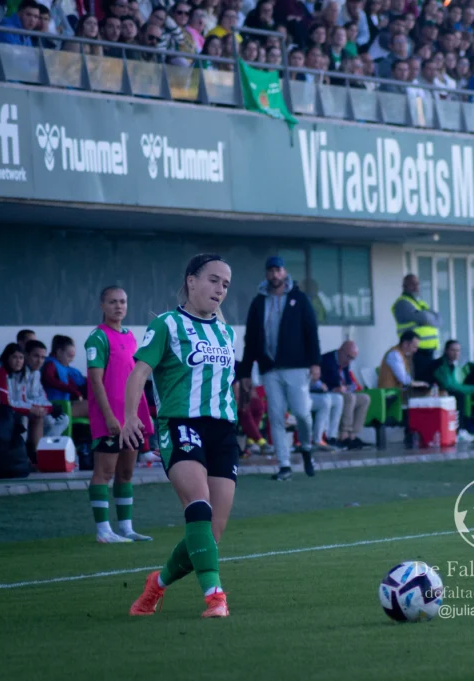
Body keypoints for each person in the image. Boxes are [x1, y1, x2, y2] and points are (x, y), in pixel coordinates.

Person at [126, 254, 239, 619]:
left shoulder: (225, 331)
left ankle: (155, 585)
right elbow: (139, 373)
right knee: (199, 509)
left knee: (212, 534)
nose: (220, 289)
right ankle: (215, 597)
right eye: (213, 280)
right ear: (191, 280)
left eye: (225, 284)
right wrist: (131, 417)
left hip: (222, 430)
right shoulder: (166, 325)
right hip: (181, 424)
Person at [238, 255, 322, 482]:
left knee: (302, 414)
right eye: (271, 271)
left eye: (278, 270)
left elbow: (311, 332)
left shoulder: (299, 298)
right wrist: (245, 372)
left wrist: (315, 363)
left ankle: (305, 447)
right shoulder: (258, 302)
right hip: (270, 368)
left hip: (297, 366)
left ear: (285, 272)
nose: (275, 275)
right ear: (267, 274)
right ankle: (284, 464)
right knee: (275, 415)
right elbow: (251, 339)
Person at [83, 286, 155, 543]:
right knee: (104, 472)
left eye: (123, 301)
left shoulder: (131, 336)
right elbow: (96, 381)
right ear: (102, 305)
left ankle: (125, 527)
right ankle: (103, 531)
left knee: (126, 472)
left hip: (131, 416)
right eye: (113, 302)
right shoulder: (97, 338)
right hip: (110, 417)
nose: (119, 306)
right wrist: (110, 417)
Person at [320, 340, 372, 450]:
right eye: (349, 357)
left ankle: (353, 436)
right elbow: (319, 383)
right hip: (329, 394)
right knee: (350, 397)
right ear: (341, 351)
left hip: (342, 394)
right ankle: (344, 435)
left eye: (353, 358)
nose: (350, 361)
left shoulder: (345, 363)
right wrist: (335, 388)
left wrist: (347, 387)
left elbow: (349, 384)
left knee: (364, 398)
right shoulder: (326, 360)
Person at [392, 274, 440, 385]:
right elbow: (423, 317)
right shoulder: (402, 303)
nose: (416, 287)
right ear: (404, 286)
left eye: (417, 284)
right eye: (412, 284)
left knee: (430, 383)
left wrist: (426, 316)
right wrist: (427, 316)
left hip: (429, 351)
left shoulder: (420, 303)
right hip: (415, 350)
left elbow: (438, 319)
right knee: (421, 383)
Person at [42, 335, 89, 419]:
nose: (71, 360)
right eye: (69, 356)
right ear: (59, 352)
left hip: (64, 403)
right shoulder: (51, 364)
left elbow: (72, 384)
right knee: (96, 407)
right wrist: (72, 391)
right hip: (56, 405)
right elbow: (49, 378)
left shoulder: (62, 367)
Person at [308, 371, 343, 452]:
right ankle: (317, 439)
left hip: (312, 393)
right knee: (325, 401)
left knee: (338, 399)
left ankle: (331, 437)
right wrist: (319, 384)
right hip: (301, 393)